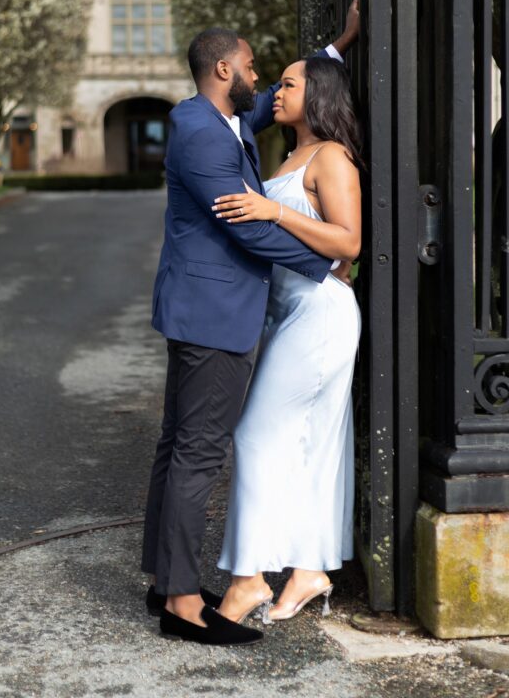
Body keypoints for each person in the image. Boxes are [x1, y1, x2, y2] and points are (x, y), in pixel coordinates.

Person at [141, 0, 360, 646]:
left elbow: (283, 105)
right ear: (221, 68)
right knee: (197, 450)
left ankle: (169, 579)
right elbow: (246, 225)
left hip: (219, 310)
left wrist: (338, 45)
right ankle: (181, 599)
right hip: (216, 314)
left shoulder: (222, 120)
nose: (259, 81)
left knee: (179, 445)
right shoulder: (203, 132)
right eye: (251, 68)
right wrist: (322, 264)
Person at [212, 55, 362, 625]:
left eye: (291, 84)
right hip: (286, 313)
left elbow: (348, 242)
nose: (277, 91)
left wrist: (273, 209)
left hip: (319, 314)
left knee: (254, 434)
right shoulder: (290, 152)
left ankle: (247, 578)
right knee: (311, 445)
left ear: (318, 93)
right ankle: (309, 570)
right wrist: (339, 42)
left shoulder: (332, 156)